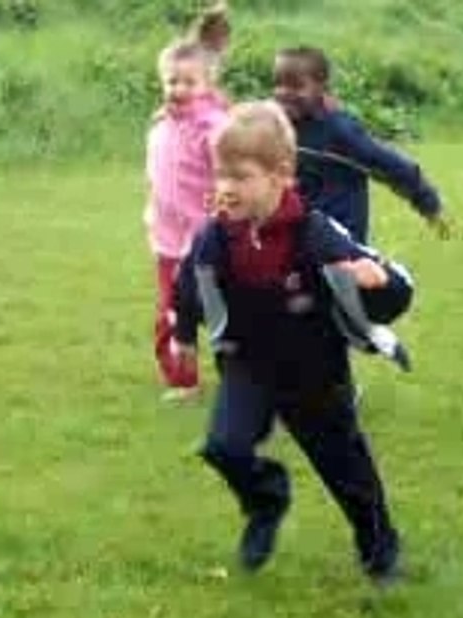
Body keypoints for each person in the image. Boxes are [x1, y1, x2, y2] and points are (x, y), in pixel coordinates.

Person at [172, 101, 406, 581]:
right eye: (220, 176)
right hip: (248, 364)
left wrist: (378, 282)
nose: (225, 189)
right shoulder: (216, 237)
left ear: (281, 174)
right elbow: (190, 285)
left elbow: (389, 291)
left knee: (347, 471)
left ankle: (380, 552)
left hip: (313, 370)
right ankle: (266, 499)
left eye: (240, 177)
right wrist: (184, 337)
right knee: (223, 446)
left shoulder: (315, 232)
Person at [272, 46, 451, 246]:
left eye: (296, 86)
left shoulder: (340, 131)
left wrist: (428, 203)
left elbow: (388, 164)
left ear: (322, 87)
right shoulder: (277, 125)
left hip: (340, 241)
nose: (284, 93)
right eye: (279, 84)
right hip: (298, 234)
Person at [144, 37, 230, 401]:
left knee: (226, 314)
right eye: (171, 81)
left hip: (207, 243)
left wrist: (223, 219)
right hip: (167, 241)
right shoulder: (162, 126)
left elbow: (230, 178)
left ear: (207, 84)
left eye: (188, 82)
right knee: (170, 314)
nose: (178, 89)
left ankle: (250, 381)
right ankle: (183, 380)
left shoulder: (215, 129)